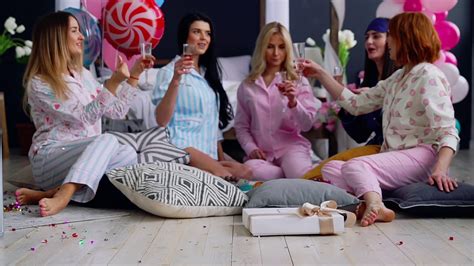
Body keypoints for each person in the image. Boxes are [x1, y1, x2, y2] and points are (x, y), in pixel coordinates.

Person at [302, 12, 459, 226]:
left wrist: (440, 170)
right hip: (396, 157)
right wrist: (320, 73)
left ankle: (376, 205)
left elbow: (448, 130)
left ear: (407, 38)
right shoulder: (399, 76)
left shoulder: (428, 75)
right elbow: (355, 104)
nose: (390, 42)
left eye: (391, 36)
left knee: (355, 166)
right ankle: (365, 202)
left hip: (423, 156)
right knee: (332, 168)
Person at [14, 11, 154, 216]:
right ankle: (65, 193)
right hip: (51, 158)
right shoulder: (40, 82)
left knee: (129, 153)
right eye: (74, 31)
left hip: (84, 157)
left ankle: (56, 192)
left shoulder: (84, 75)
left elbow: (116, 111)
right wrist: (112, 83)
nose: (82, 36)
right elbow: (84, 116)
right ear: (57, 37)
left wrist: (134, 75)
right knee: (106, 140)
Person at [151, 12, 252, 180]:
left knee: (245, 172)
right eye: (197, 31)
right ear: (185, 36)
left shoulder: (208, 76)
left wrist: (219, 159)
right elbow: (161, 120)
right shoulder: (168, 72)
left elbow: (213, 127)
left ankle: (205, 175)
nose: (203, 37)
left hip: (207, 151)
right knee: (222, 175)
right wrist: (176, 79)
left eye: (207, 33)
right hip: (181, 147)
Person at [303, 17, 398, 181]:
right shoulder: (370, 80)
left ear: (391, 39)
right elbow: (360, 133)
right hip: (375, 147)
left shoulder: (399, 79)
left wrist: (377, 100)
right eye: (366, 37)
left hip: (393, 153)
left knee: (323, 172)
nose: (369, 41)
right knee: (326, 171)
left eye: (376, 36)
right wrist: (345, 106)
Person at [234, 22, 319, 180]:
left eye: (281, 47)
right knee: (250, 171)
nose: (275, 53)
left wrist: (293, 102)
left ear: (287, 49)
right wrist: (250, 148)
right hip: (262, 156)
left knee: (298, 174)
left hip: (291, 148)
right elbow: (241, 126)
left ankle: (295, 174)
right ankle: (290, 176)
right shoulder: (247, 86)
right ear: (261, 48)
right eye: (270, 46)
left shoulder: (299, 82)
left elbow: (307, 125)